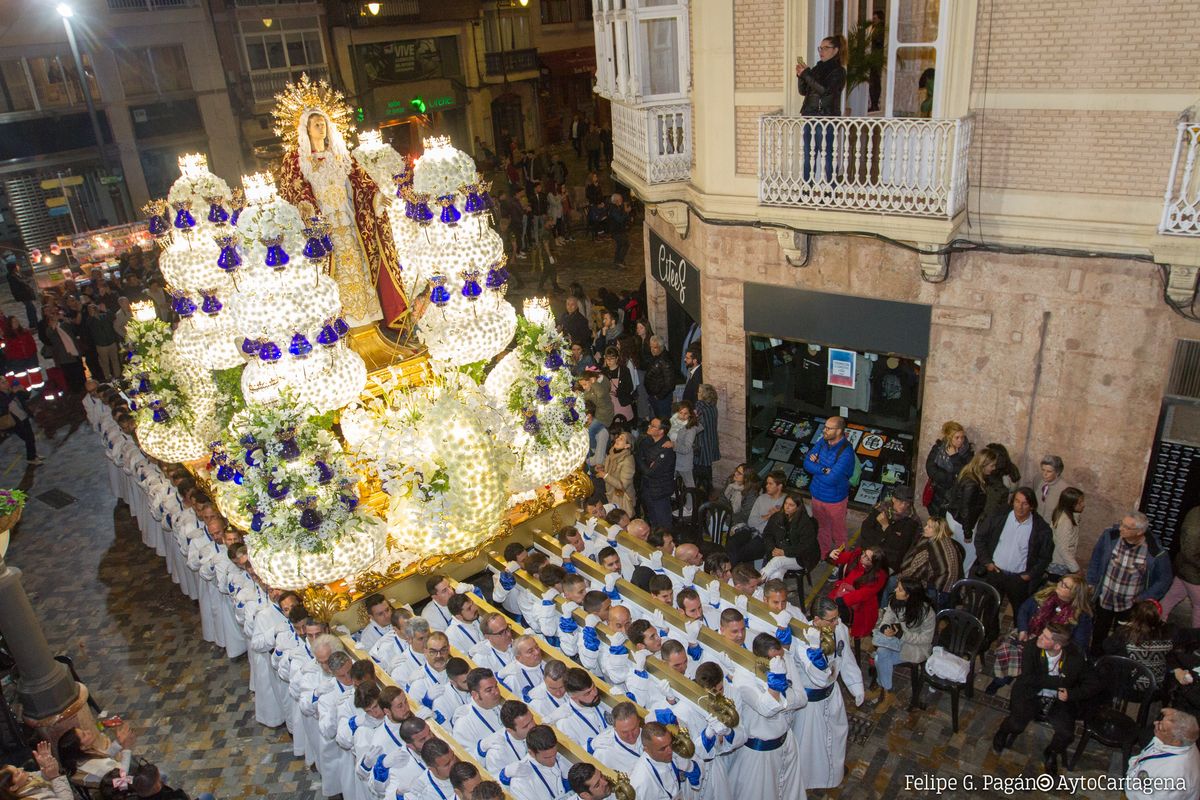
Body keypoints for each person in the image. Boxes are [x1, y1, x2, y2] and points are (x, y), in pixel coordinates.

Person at [276, 106, 407, 329]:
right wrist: (305, 206)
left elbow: (362, 183)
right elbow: (292, 189)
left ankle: (368, 325)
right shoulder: (296, 160)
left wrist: (375, 196)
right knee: (332, 276)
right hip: (322, 230)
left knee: (359, 270)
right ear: (306, 129)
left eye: (323, 122)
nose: (321, 127)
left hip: (349, 225)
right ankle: (339, 327)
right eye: (316, 123)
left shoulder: (340, 154)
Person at [991, 623, 1099, 776]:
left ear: (1056, 646)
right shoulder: (1031, 648)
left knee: (1066, 733)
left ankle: (1052, 753)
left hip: (1059, 700)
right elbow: (1029, 678)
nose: (1039, 637)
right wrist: (1061, 681)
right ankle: (1003, 732)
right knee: (1016, 724)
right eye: (1042, 633)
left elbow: (1093, 683)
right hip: (1030, 693)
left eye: (1045, 637)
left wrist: (1071, 694)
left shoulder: (1075, 657)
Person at [792, 596, 864, 790]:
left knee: (837, 733)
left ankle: (833, 773)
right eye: (831, 620)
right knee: (809, 745)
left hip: (832, 694)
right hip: (810, 704)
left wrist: (856, 686)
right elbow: (817, 677)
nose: (836, 623)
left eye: (837, 618)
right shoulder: (802, 638)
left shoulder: (839, 629)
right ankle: (808, 781)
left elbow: (846, 658)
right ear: (816, 620)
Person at [986, 573, 1093, 694]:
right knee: (1008, 651)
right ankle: (1001, 680)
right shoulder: (1045, 593)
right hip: (1031, 635)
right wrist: (1023, 629)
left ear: (1074, 594)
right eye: (1061, 581)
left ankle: (1024, 687)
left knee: (1029, 667)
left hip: (1050, 647)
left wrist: (1055, 647)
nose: (1059, 584)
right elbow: (1024, 610)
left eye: (1065, 585)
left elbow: (1079, 644)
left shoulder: (1080, 616)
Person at [1087, 512, 1173, 656]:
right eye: (1121, 524)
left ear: (1140, 532)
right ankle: (1094, 659)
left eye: (1126, 527)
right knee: (1098, 633)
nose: (1121, 528)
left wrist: (1144, 598)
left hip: (1129, 604)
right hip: (1105, 597)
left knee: (1122, 638)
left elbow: (1164, 580)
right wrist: (1091, 581)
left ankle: (1114, 663)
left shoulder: (1155, 551)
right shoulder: (1110, 536)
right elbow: (1096, 556)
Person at [971, 488, 1055, 618]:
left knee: (1020, 612)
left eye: (1025, 503)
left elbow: (1045, 557)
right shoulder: (999, 516)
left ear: (1032, 506)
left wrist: (1029, 575)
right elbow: (980, 538)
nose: (1020, 507)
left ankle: (1017, 635)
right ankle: (989, 635)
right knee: (989, 609)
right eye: (1017, 501)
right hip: (995, 572)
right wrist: (987, 562)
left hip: (1019, 579)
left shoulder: (1041, 529)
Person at [869, 578, 935, 708]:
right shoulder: (895, 601)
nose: (895, 590)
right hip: (897, 640)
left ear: (909, 595)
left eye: (899, 589)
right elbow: (888, 617)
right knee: (881, 654)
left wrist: (903, 635)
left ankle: (883, 688)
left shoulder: (927, 613)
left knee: (879, 658)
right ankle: (887, 690)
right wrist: (885, 628)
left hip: (915, 648)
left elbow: (926, 639)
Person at [802, 415, 856, 558]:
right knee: (821, 528)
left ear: (839, 431)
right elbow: (806, 464)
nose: (824, 430)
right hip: (817, 495)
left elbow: (832, 480)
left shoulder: (846, 452)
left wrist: (817, 465)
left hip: (835, 500)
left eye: (828, 428)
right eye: (825, 427)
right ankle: (824, 554)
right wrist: (824, 469)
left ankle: (842, 561)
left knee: (839, 533)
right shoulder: (822, 442)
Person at [795, 35, 846, 184]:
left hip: (826, 118)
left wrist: (807, 74)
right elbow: (804, 91)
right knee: (808, 156)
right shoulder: (817, 68)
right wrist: (801, 76)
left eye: (825, 48)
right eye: (820, 48)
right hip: (810, 115)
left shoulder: (838, 71)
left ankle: (831, 192)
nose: (821, 51)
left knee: (828, 155)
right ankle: (806, 191)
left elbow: (824, 90)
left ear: (835, 50)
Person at [1124, 708, 1200, 800]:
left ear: (1176, 741)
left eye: (1161, 728)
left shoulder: (1174, 776)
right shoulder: (1181, 740)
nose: (1155, 724)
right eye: (1160, 721)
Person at [1102, 599, 1176, 691]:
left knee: (1110, 659)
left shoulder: (1124, 633)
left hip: (1127, 688)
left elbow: (1106, 646)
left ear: (1135, 615)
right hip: (1154, 688)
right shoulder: (1166, 635)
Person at [858, 485, 921, 586]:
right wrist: (883, 541)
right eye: (901, 502)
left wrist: (886, 526)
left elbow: (900, 546)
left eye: (907, 503)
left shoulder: (912, 521)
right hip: (871, 552)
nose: (904, 506)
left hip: (889, 560)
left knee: (873, 582)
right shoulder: (880, 509)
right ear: (893, 499)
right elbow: (866, 531)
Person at [945, 448, 997, 569]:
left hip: (957, 519)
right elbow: (966, 509)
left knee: (959, 553)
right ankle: (961, 578)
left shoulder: (971, 475)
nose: (994, 468)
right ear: (983, 464)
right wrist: (967, 532)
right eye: (992, 465)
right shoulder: (972, 483)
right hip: (960, 522)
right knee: (970, 552)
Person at [897, 517, 965, 609]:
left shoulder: (929, 545)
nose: (925, 528)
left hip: (937, 590)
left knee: (894, 583)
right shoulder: (950, 542)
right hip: (954, 589)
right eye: (926, 525)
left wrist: (901, 577)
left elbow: (916, 569)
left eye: (929, 527)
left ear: (938, 531)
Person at [924, 420, 973, 518]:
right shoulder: (938, 448)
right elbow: (930, 468)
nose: (960, 440)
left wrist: (955, 456)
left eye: (962, 437)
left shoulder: (967, 452)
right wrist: (948, 478)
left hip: (954, 497)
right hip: (937, 492)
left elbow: (965, 473)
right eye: (957, 437)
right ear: (949, 437)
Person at [1162, 506, 1200, 627]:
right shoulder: (1194, 522)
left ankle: (1150, 626)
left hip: (1186, 569)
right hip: (1193, 572)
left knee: (1172, 596)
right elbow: (1190, 551)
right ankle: (1196, 639)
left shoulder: (1195, 512)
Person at [762, 493, 819, 573]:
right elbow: (767, 534)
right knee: (777, 571)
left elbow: (805, 546)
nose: (787, 507)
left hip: (801, 557)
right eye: (785, 503)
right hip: (778, 551)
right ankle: (770, 585)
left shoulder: (806, 523)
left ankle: (758, 581)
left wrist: (785, 552)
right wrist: (772, 548)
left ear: (798, 508)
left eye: (791, 505)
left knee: (777, 561)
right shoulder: (776, 517)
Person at [636, 417, 676, 528]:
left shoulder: (666, 449)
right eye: (650, 424)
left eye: (653, 426)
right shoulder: (647, 441)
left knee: (663, 526)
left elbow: (651, 472)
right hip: (647, 489)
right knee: (653, 522)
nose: (649, 427)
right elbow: (640, 457)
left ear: (661, 431)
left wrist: (640, 459)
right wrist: (644, 461)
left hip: (660, 492)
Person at [38, 306, 85, 393]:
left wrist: (65, 319)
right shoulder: (50, 330)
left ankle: (84, 388)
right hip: (64, 357)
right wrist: (54, 324)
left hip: (74, 354)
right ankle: (76, 392)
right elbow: (50, 335)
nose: (55, 319)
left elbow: (75, 330)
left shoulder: (64, 325)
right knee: (70, 376)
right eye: (52, 319)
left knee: (80, 373)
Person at [1046, 487, 1086, 580]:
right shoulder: (1065, 521)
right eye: (1080, 503)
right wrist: (1076, 569)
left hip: (1063, 562)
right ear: (1070, 504)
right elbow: (1063, 549)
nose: (1083, 505)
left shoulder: (1070, 516)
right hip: (1059, 564)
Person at [668, 400, 700, 513]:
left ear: (690, 414)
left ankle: (690, 507)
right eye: (680, 413)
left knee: (689, 484)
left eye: (685, 413)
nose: (682, 416)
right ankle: (675, 494)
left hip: (684, 461)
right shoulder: (674, 422)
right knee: (672, 478)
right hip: (674, 459)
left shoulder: (690, 429)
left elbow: (687, 448)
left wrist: (673, 445)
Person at [0, 379, 42, 464]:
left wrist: (23, 389)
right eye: (2, 383)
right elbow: (3, 406)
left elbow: (27, 397)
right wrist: (14, 393)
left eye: (6, 381)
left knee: (31, 437)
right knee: (28, 438)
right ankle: (31, 458)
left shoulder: (12, 390)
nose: (6, 383)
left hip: (23, 416)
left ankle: (33, 455)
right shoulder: (2, 395)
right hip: (14, 421)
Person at [596, 430, 636, 517]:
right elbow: (611, 471)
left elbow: (622, 486)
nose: (617, 439)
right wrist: (602, 468)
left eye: (621, 439)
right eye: (618, 437)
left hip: (621, 499)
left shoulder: (628, 460)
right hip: (610, 493)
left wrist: (605, 475)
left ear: (627, 445)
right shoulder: (612, 453)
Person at [641, 336, 676, 424]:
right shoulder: (657, 357)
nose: (652, 349)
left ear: (661, 347)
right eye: (651, 347)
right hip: (655, 396)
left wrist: (659, 396)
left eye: (655, 347)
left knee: (663, 423)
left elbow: (670, 384)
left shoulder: (664, 360)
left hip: (662, 399)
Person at [693, 384, 720, 495]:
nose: (697, 394)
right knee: (707, 469)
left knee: (699, 470)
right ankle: (709, 491)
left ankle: (701, 494)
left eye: (699, 392)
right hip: (711, 441)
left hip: (702, 443)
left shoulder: (700, 407)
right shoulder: (713, 407)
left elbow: (696, 426)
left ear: (704, 395)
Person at [84, 301, 120, 381]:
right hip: (101, 345)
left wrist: (106, 310)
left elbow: (113, 317)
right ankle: (108, 377)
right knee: (105, 363)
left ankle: (118, 376)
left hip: (111, 342)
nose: (92, 310)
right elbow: (88, 326)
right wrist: (91, 316)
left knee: (115, 360)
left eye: (93, 308)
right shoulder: (90, 320)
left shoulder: (104, 316)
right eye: (90, 309)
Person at [600, 347, 635, 424]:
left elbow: (630, 387)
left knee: (623, 425)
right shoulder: (603, 371)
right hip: (609, 403)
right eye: (607, 358)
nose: (609, 361)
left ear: (617, 358)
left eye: (612, 358)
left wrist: (618, 393)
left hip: (622, 401)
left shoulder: (624, 370)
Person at [6, 258, 39, 329]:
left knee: (31, 308)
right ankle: (33, 323)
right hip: (23, 295)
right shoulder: (12, 276)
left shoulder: (15, 274)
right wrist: (27, 281)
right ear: (13, 268)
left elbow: (23, 280)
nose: (18, 267)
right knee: (30, 308)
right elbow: (21, 283)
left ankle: (34, 323)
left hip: (24, 295)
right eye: (16, 266)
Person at [1037, 455, 1066, 523]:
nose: (1044, 474)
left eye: (1049, 471)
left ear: (1057, 473)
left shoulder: (1064, 489)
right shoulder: (1037, 479)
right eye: (1043, 470)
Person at [607, 194, 631, 268]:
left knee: (621, 245)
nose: (621, 200)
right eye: (620, 199)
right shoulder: (613, 208)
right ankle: (619, 261)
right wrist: (626, 212)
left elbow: (622, 217)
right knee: (625, 244)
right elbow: (620, 219)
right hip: (616, 231)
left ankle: (617, 261)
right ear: (616, 201)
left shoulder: (617, 207)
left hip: (619, 230)